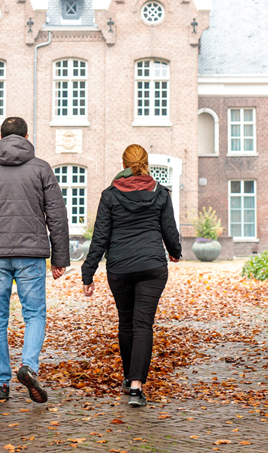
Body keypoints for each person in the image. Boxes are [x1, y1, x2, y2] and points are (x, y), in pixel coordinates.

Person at [0, 116, 70, 404]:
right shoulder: (41, 169)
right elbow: (57, 216)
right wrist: (59, 258)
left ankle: (1, 384)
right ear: (25, 137)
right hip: (30, 254)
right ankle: (29, 367)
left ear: (1, 137)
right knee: (34, 314)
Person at [80, 144, 183, 407]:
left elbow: (100, 237)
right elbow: (169, 229)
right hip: (152, 267)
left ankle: (129, 378)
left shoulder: (110, 194)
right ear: (146, 163)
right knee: (143, 324)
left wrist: (87, 272)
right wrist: (175, 252)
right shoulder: (160, 193)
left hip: (120, 267)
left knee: (126, 323)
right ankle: (136, 387)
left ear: (124, 163)